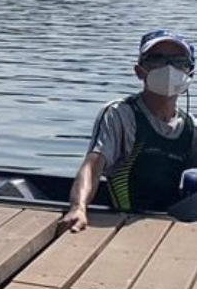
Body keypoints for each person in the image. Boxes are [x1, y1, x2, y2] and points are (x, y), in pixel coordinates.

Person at [61, 29, 197, 232]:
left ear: (190, 73)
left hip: (171, 226)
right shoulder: (119, 114)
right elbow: (93, 167)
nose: (168, 68)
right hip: (122, 224)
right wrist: (78, 207)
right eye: (157, 60)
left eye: (178, 61)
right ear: (139, 71)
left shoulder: (192, 127)